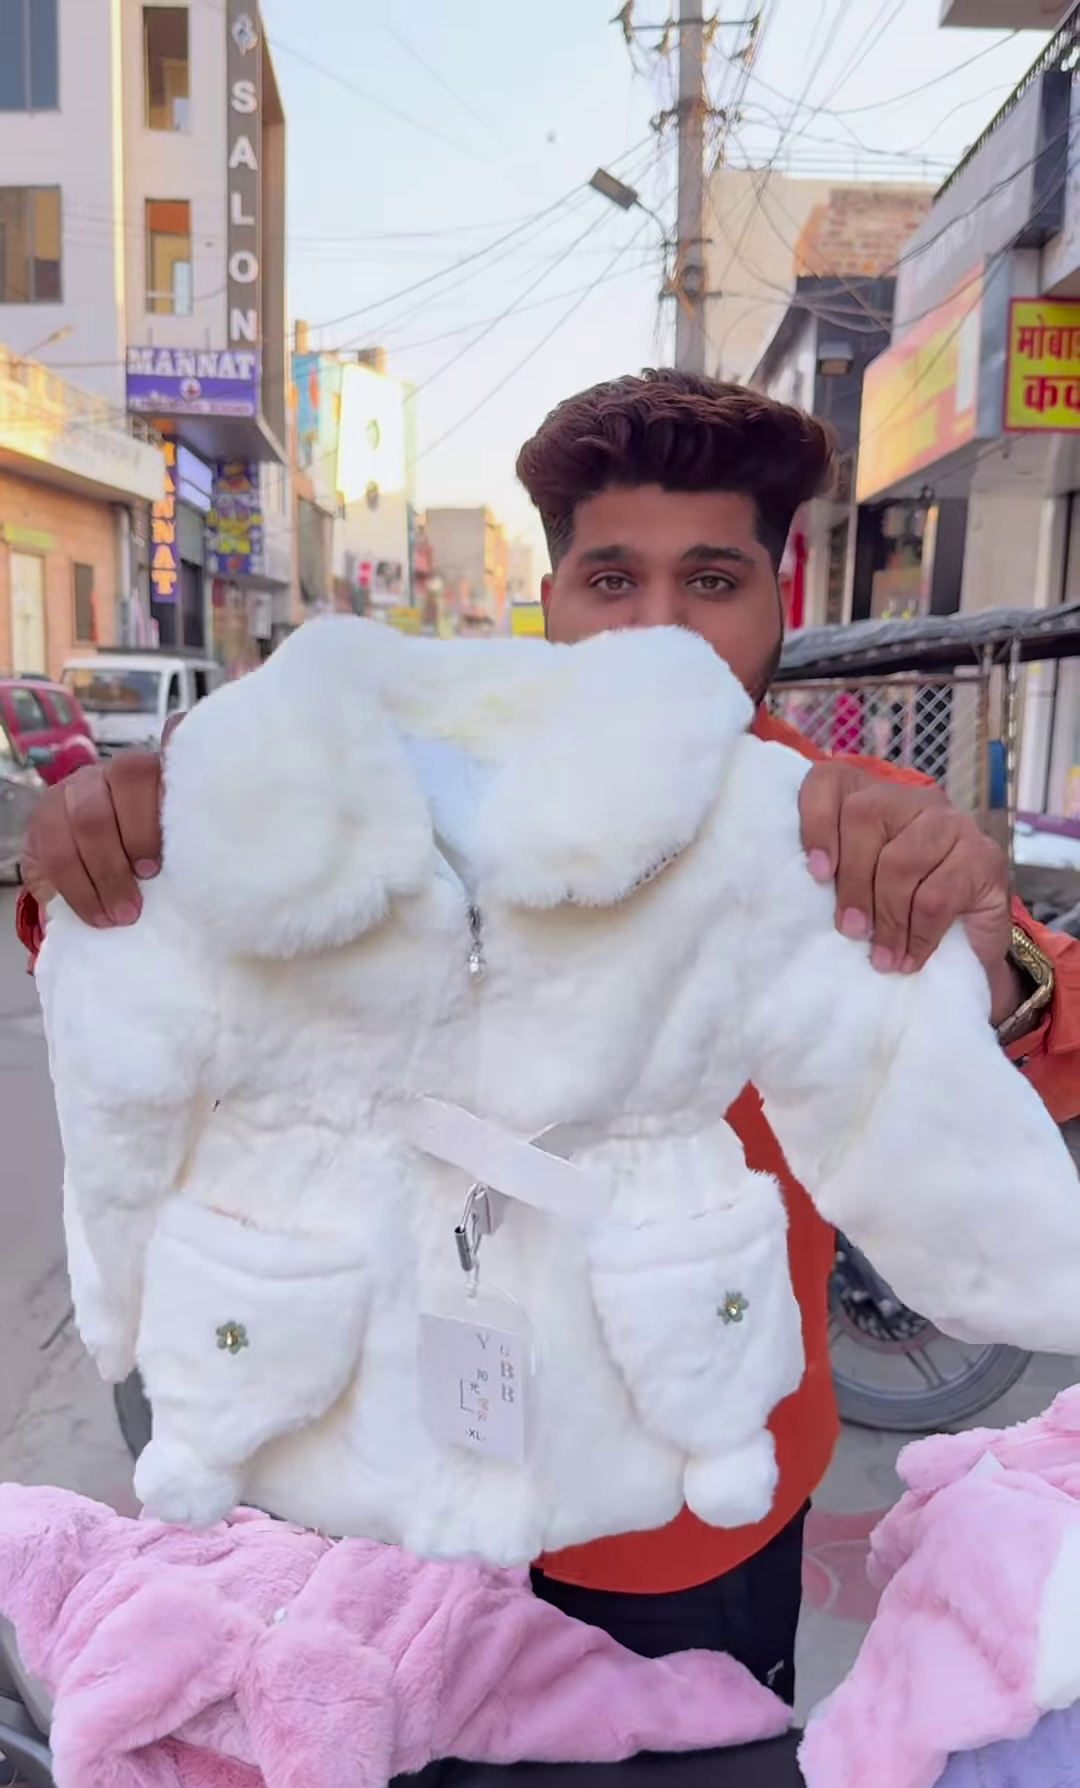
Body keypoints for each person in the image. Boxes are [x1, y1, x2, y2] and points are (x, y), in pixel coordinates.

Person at [17, 369, 1080, 1706]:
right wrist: (100, 874)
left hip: (693, 1477)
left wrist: (989, 950)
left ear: (781, 597)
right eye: (612, 578)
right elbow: (132, 992)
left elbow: (1028, 1045)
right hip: (372, 1460)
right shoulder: (339, 785)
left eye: (712, 579)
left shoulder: (851, 824)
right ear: (551, 597)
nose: (659, 626)